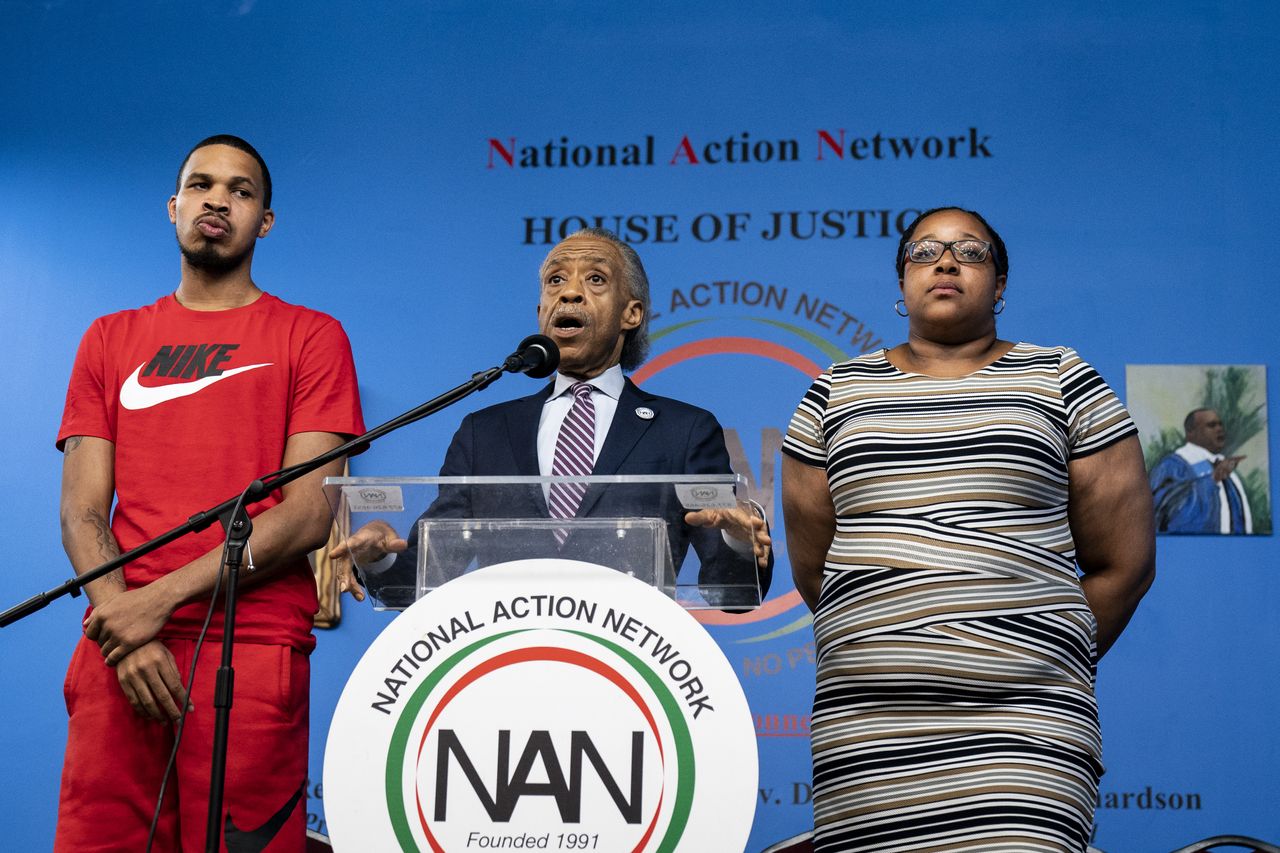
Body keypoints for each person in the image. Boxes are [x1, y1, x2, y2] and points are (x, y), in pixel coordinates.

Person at [781, 207, 1155, 852]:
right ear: (901, 282)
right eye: (924, 252)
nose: (946, 263)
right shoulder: (833, 392)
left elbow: (1125, 563)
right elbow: (817, 568)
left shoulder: (1063, 380)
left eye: (970, 252)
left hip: (1027, 728)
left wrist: (1035, 649)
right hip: (867, 731)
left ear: (1001, 283)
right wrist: (893, 630)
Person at [55, 135, 365, 852]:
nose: (217, 199)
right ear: (174, 208)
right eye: (200, 185)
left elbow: (310, 513)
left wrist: (153, 603)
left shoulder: (312, 337)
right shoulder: (109, 337)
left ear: (266, 221)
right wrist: (125, 625)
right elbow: (80, 508)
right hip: (118, 648)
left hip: (248, 653)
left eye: (241, 190)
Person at [332, 227, 771, 607]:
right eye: (555, 281)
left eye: (595, 279)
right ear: (541, 312)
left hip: (634, 672)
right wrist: (380, 556)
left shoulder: (685, 431)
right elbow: (420, 578)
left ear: (631, 314)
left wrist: (738, 538)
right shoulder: (484, 433)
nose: (570, 292)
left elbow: (729, 591)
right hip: (505, 667)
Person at [1149, 408, 1252, 534]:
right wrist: (1212, 480)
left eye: (1220, 424)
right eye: (1211, 425)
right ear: (1190, 432)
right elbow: (1162, 510)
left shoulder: (1223, 465)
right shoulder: (1172, 465)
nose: (1219, 429)